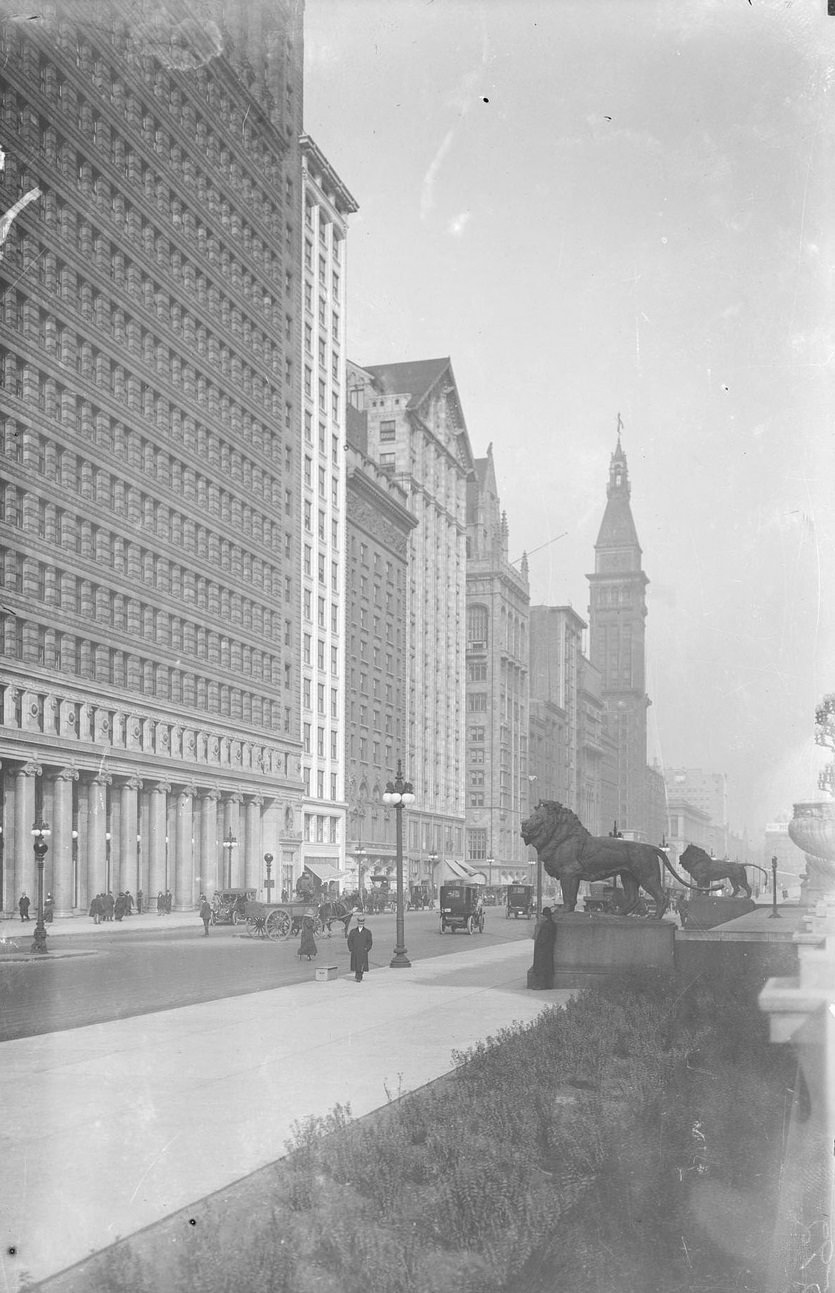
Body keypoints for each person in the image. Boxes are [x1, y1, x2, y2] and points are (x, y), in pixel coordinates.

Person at [530, 907, 557, 990]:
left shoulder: (546, 926)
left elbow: (542, 939)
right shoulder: (552, 924)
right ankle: (547, 984)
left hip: (543, 950)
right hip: (548, 949)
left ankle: (541, 985)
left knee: (541, 967)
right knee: (547, 967)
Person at [347, 911, 372, 982]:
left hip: (363, 951)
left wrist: (366, 949)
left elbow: (370, 942)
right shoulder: (353, 932)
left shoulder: (367, 932)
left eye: (362, 923)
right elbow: (349, 941)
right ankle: (357, 976)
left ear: (363, 923)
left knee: (362, 965)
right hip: (355, 951)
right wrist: (351, 949)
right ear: (358, 923)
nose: (360, 924)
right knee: (356, 965)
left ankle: (359, 976)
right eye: (359, 923)